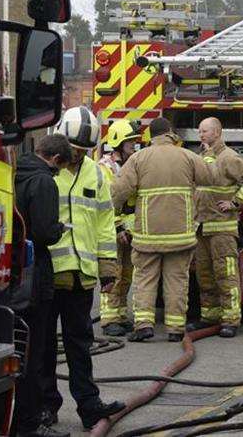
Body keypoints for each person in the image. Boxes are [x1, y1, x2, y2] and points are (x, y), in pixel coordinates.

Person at [41, 107, 126, 431]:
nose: (76, 155)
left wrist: (107, 266)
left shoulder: (95, 173)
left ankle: (89, 406)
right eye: (73, 148)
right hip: (50, 274)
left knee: (80, 345)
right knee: (45, 347)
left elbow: (105, 221)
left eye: (82, 150)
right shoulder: (44, 170)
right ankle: (47, 407)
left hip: (81, 276)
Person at [111, 117, 213, 342]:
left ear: (151, 136)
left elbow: (118, 191)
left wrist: (114, 217)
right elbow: (209, 177)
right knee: (177, 280)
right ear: (170, 133)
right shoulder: (187, 156)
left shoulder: (138, 158)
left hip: (148, 235)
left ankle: (144, 326)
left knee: (145, 279)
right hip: (181, 235)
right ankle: (176, 329)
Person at [14, 134, 72, 437]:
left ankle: (14, 419)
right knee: (36, 353)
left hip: (11, 273)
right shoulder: (44, 181)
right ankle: (31, 424)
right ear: (56, 159)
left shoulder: (14, 171)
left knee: (17, 349)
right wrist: (60, 228)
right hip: (35, 276)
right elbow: (45, 231)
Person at [187, 117, 243, 338]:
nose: (201, 135)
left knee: (225, 275)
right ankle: (209, 316)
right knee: (205, 275)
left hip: (222, 228)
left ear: (218, 133)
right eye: (199, 131)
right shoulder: (203, 158)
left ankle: (230, 320)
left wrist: (236, 203)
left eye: (205, 131)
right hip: (202, 227)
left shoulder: (228, 157)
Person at [98, 119, 141, 337]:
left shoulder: (129, 166)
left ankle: (121, 315)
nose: (134, 147)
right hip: (113, 231)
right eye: (130, 143)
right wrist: (117, 229)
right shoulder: (105, 169)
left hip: (128, 232)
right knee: (113, 274)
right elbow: (107, 203)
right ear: (119, 143)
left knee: (126, 275)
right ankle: (109, 318)